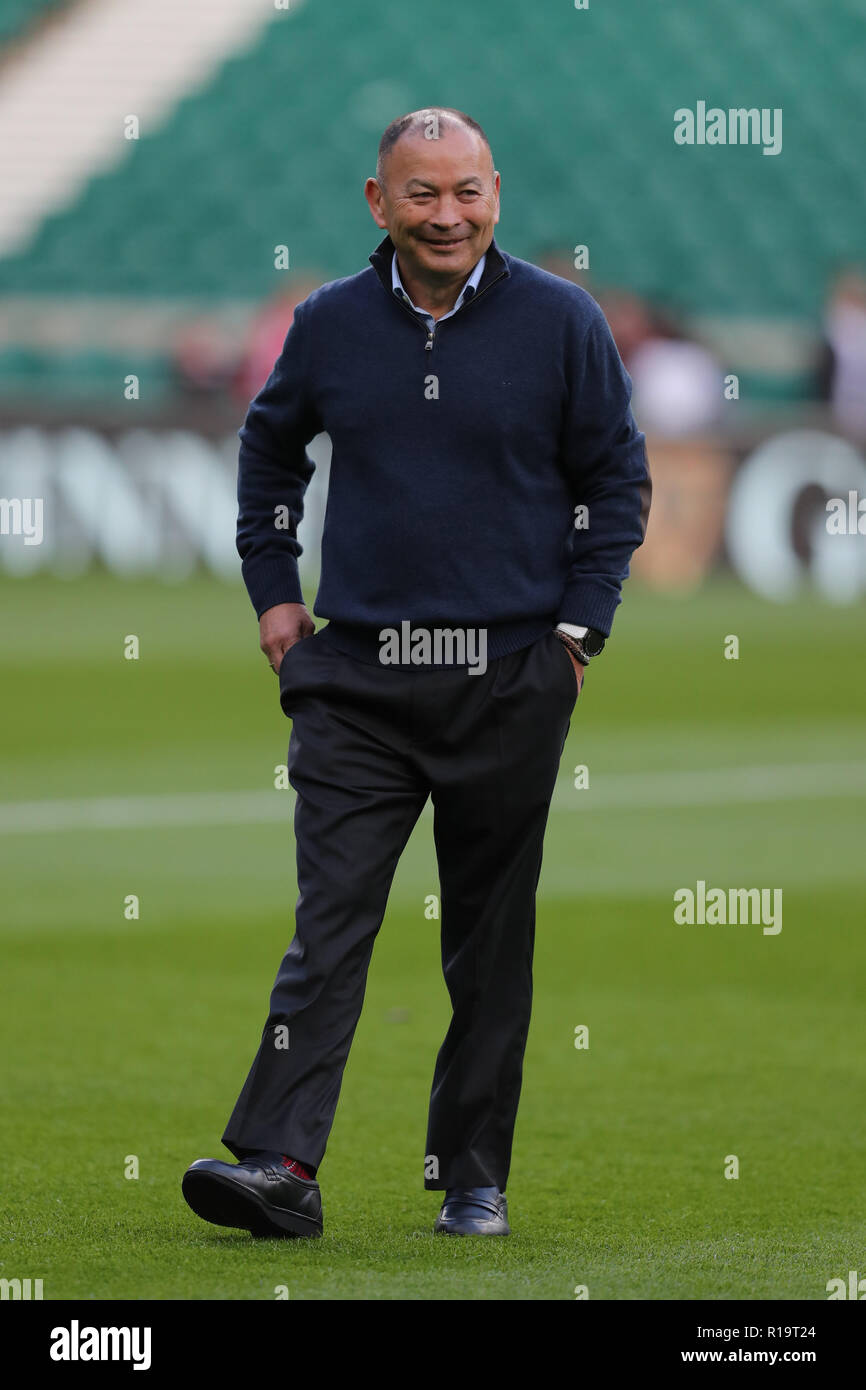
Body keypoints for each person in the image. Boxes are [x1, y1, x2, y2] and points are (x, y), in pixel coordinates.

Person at [182, 107, 651, 1240]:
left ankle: (472, 1176)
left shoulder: (560, 320)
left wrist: (578, 633)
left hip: (506, 677)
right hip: (357, 680)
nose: (448, 215)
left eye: (468, 192)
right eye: (423, 195)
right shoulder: (330, 324)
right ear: (377, 202)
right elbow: (268, 449)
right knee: (329, 923)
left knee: (487, 940)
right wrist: (274, 589)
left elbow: (615, 480)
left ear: (496, 192)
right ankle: (282, 1166)